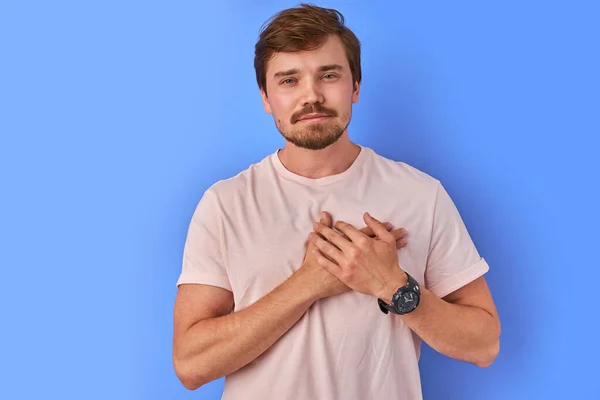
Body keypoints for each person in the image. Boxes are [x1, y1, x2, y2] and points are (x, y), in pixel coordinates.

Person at [172, 4, 501, 399]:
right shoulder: (226, 204)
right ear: (266, 98)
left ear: (355, 87)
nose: (311, 96)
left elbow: (484, 346)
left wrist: (392, 285)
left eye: (328, 75)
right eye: (289, 80)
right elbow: (191, 365)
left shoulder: (420, 194)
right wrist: (308, 284)